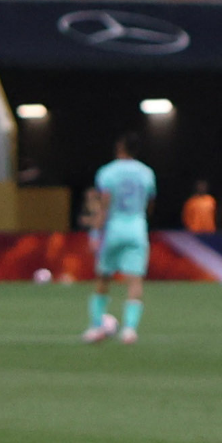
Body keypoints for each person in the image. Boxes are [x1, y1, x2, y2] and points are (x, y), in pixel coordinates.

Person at [83, 133, 157, 344]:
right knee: (134, 280)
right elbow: (150, 203)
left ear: (120, 148)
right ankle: (129, 330)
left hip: (114, 229)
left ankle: (97, 326)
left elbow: (104, 204)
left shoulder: (108, 172)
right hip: (137, 228)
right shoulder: (147, 173)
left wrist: (96, 232)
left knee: (103, 278)